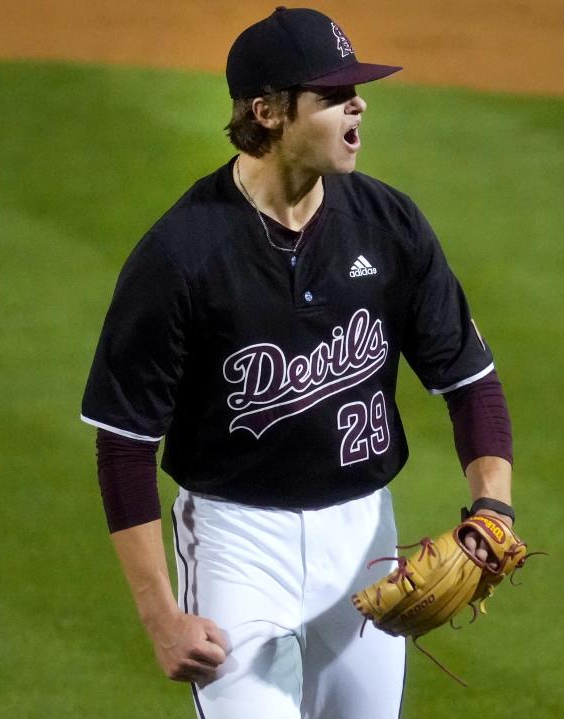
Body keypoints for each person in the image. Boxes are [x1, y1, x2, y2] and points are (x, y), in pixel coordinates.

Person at [81, 7, 515, 718]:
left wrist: (493, 502)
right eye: (334, 94)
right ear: (269, 112)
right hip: (237, 544)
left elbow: (469, 380)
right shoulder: (181, 255)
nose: (359, 103)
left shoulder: (389, 223)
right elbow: (125, 445)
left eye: (357, 89)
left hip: (363, 536)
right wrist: (160, 614)